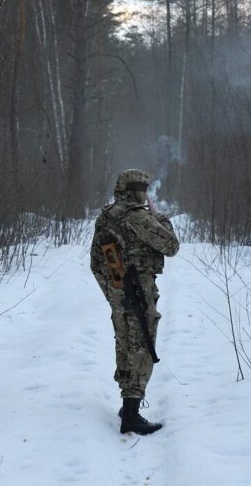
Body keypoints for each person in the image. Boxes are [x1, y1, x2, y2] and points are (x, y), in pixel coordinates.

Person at [90, 169, 180, 435]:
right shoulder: (138, 217)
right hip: (138, 292)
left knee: (125, 342)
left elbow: (95, 263)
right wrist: (158, 215)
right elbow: (171, 246)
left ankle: (127, 403)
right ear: (137, 190)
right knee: (141, 347)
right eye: (144, 189)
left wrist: (112, 293)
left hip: (120, 293)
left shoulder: (106, 216)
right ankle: (131, 414)